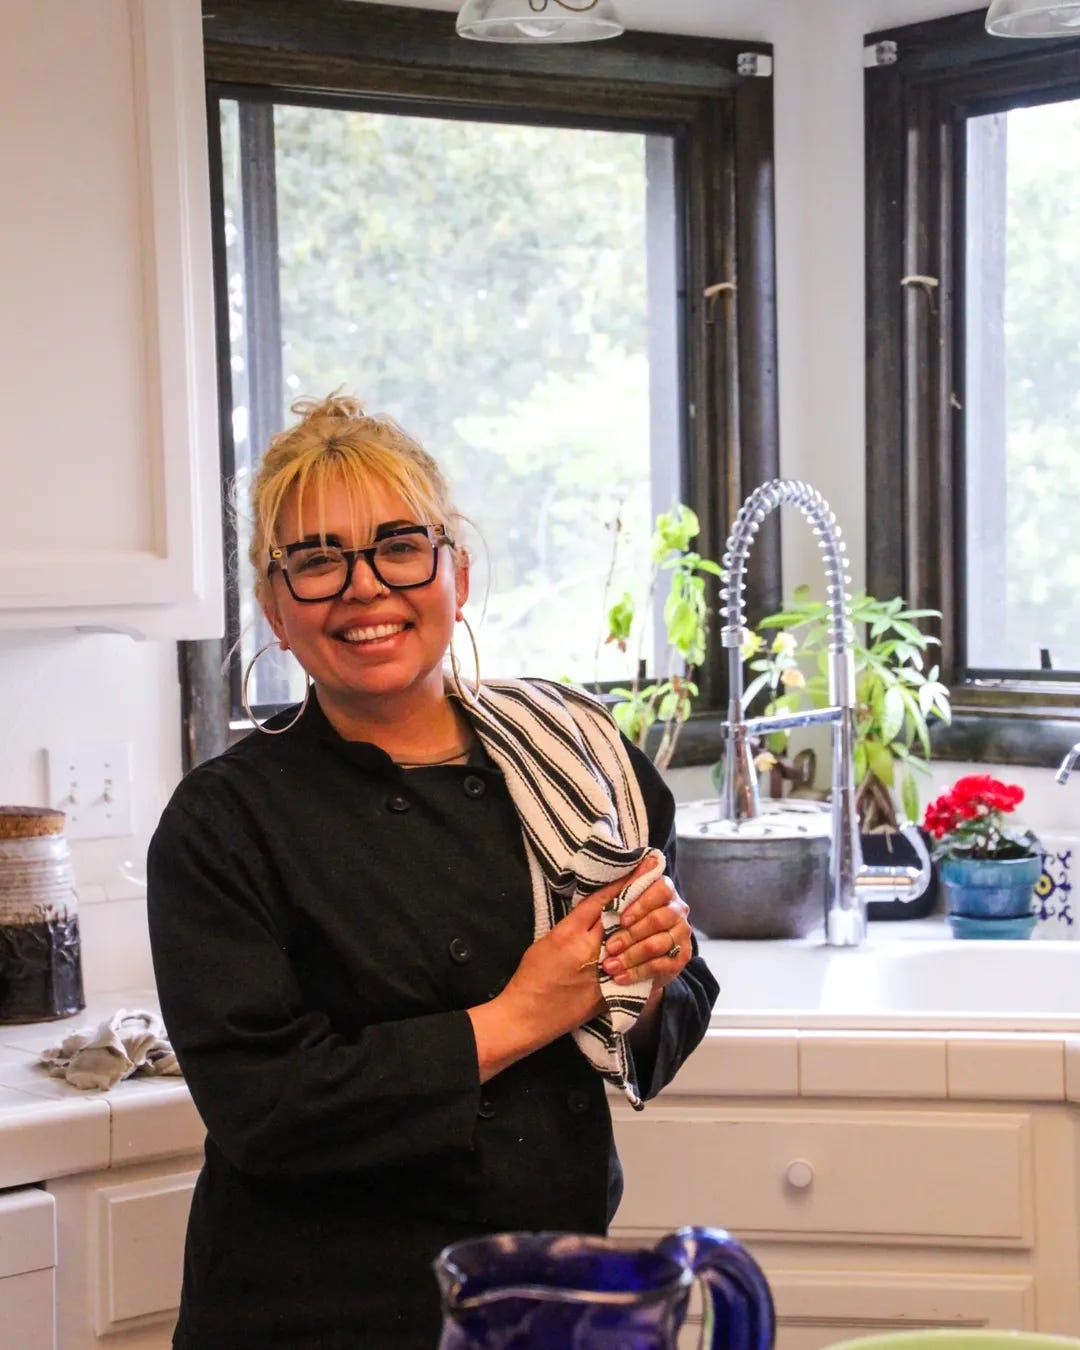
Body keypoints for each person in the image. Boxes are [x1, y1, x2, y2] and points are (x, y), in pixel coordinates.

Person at [146, 392, 720, 1350]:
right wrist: (522, 1013)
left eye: (399, 546)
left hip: (543, 1295)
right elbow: (267, 1107)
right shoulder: (224, 823)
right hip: (308, 1317)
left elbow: (671, 1006)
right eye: (317, 560)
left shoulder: (580, 762)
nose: (365, 588)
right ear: (275, 610)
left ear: (456, 572)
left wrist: (649, 979)